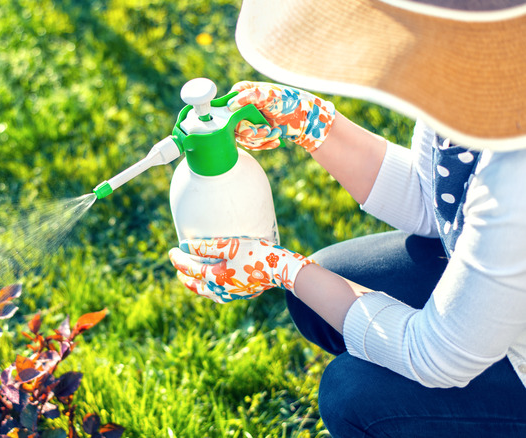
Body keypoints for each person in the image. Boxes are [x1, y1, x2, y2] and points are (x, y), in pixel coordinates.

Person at [168, 0, 526, 436]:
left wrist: (282, 267)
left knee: (352, 393)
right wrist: (313, 123)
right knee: (328, 283)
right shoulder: (479, 77)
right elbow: (436, 201)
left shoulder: (516, 173)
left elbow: (437, 356)